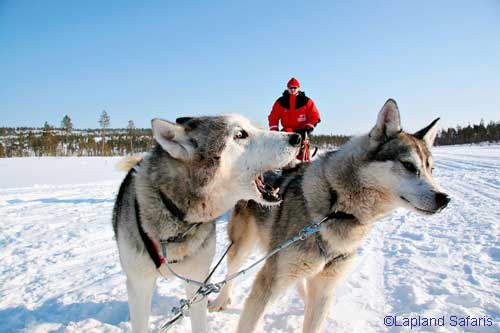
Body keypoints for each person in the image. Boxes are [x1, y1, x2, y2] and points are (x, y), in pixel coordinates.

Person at [268, 77, 321, 161]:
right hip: (287, 131)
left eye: (294, 88)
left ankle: (304, 166)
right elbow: (273, 117)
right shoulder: (280, 102)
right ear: (287, 88)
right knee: (285, 150)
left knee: (303, 149)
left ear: (298, 88)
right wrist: (274, 130)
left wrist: (307, 129)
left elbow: (315, 116)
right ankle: (285, 167)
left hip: (302, 131)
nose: (292, 90)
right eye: (290, 88)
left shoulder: (306, 101)